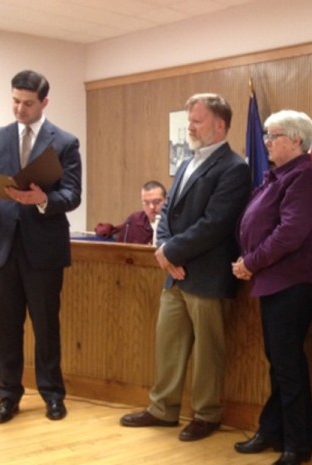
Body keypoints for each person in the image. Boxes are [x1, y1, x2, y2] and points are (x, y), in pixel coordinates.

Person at [120, 93, 251, 441]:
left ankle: (207, 415)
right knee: (168, 343)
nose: (189, 126)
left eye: (197, 120)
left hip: (208, 276)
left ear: (219, 125)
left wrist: (172, 252)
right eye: (189, 120)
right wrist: (164, 250)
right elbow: (166, 215)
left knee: (208, 351)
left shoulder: (235, 168)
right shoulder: (187, 163)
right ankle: (163, 409)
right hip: (175, 274)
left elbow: (216, 223)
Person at [0, 70, 82, 424]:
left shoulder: (64, 141)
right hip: (3, 247)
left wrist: (42, 199)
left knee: (46, 327)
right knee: (5, 328)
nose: (20, 108)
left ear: (44, 102)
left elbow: (73, 195)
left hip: (44, 250)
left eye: (28, 103)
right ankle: (8, 397)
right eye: (15, 101)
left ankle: (52, 395)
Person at [232, 110, 312, 465]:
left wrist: (251, 262)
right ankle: (272, 430)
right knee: (278, 361)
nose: (267, 143)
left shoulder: (304, 177)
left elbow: (290, 233)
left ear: (295, 141)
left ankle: (297, 444)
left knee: (288, 365)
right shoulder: (281, 175)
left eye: (273, 136)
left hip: (294, 282)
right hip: (275, 281)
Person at [95, 180, 166, 244]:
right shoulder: (134, 220)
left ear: (166, 201)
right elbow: (121, 251)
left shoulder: (173, 222)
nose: (152, 207)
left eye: (157, 202)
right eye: (146, 203)